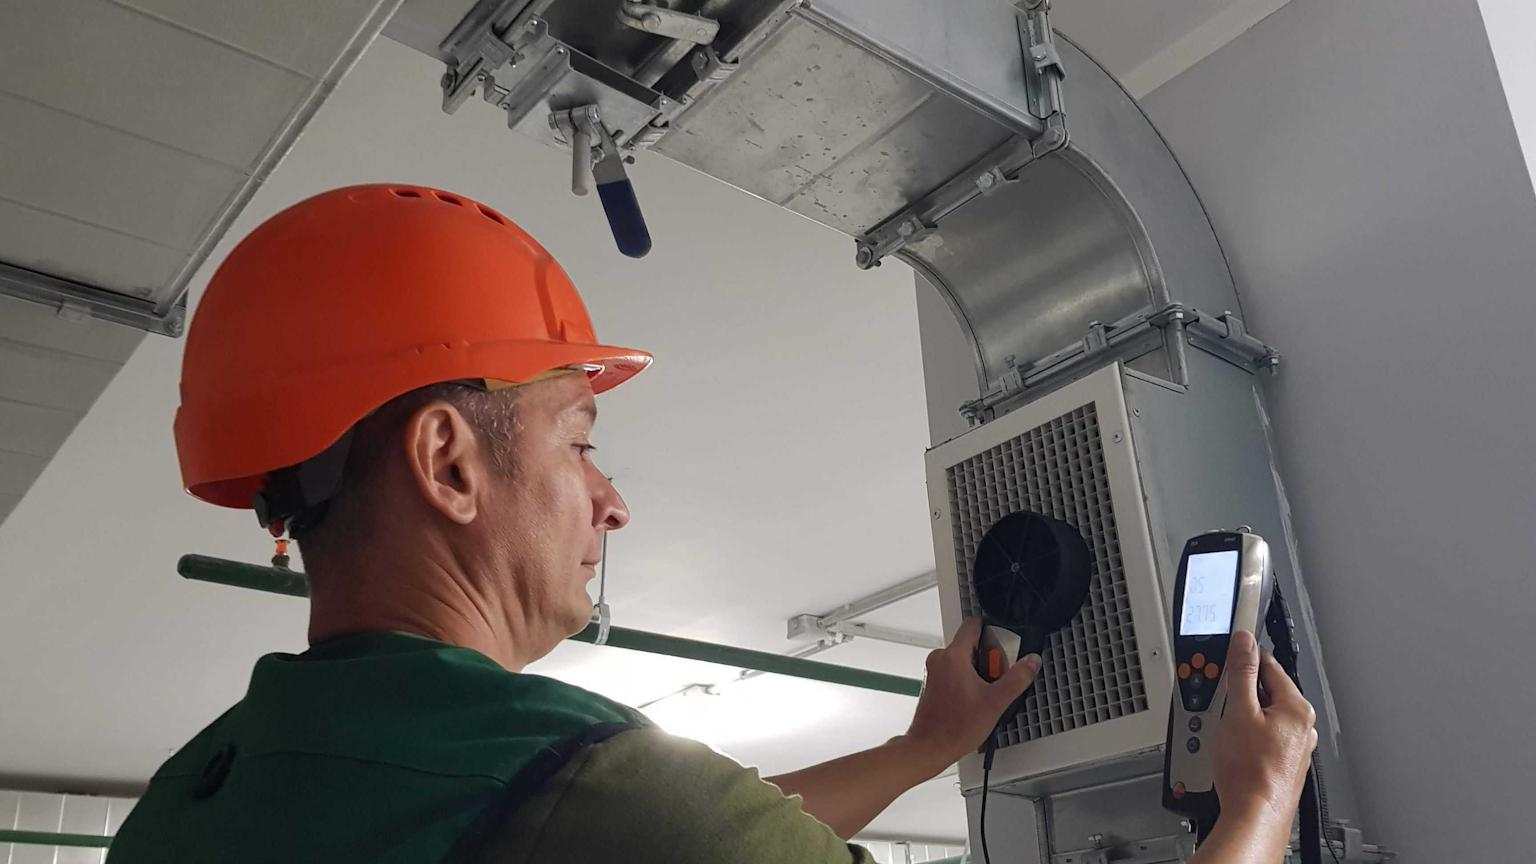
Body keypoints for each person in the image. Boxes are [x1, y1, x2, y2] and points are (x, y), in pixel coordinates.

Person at [109, 184, 1317, 863]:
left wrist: (923, 749)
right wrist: (1257, 804)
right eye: (580, 440)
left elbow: (679, 828)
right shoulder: (593, 791)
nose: (612, 498)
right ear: (448, 462)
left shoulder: (183, 810)